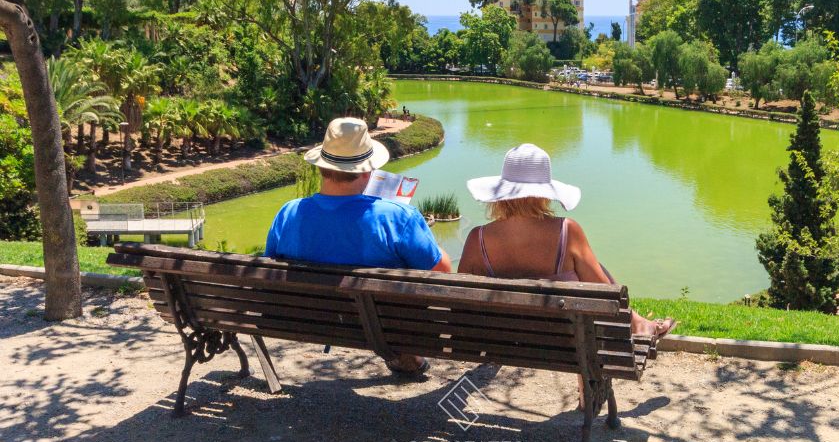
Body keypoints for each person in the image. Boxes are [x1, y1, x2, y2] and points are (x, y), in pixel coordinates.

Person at [265, 117, 451, 377]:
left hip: (308, 320)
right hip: (387, 325)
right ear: (368, 171)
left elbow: (270, 268)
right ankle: (403, 354)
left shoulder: (288, 213)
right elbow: (442, 273)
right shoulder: (397, 216)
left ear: (322, 168)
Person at [458, 143, 675, 340]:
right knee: (593, 271)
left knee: (592, 267)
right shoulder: (567, 231)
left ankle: (638, 323)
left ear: (502, 191)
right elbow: (606, 295)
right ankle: (638, 324)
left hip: (500, 338)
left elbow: (460, 299)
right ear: (544, 193)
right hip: (565, 339)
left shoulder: (478, 239)